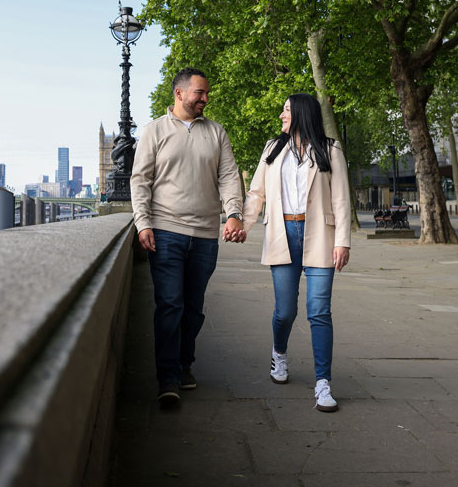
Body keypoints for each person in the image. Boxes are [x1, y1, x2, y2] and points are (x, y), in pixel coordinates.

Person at [131, 67, 245, 408]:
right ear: (179, 93)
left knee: (193, 308)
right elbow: (140, 181)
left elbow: (227, 176)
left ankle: (184, 365)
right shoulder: (154, 131)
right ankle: (167, 377)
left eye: (207, 93)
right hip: (165, 231)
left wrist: (234, 214)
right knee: (169, 304)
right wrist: (142, 223)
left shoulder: (217, 132)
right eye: (200, 93)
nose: (206, 99)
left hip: (205, 234)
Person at [240, 93, 351, 412]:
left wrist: (343, 240)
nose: (281, 115)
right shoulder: (272, 148)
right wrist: (242, 225)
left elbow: (341, 198)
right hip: (282, 233)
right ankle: (279, 352)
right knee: (285, 311)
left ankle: (323, 383)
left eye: (286, 110)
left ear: (302, 113)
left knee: (319, 311)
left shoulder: (330, 149)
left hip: (321, 236)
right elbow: (257, 192)